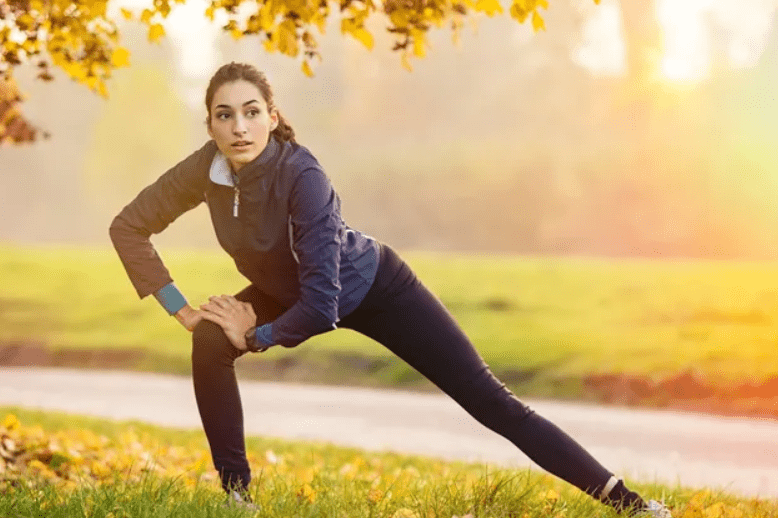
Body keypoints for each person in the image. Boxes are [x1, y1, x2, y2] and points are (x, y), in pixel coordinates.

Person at [109, 62, 672, 517]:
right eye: (224, 115)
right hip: (287, 289)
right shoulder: (205, 169)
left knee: (491, 402)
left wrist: (255, 336)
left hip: (373, 286)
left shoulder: (304, 177)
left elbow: (322, 305)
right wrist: (183, 310)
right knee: (209, 341)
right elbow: (129, 225)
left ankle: (630, 505)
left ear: (273, 117)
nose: (239, 127)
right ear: (209, 125)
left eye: (251, 113)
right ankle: (237, 498)